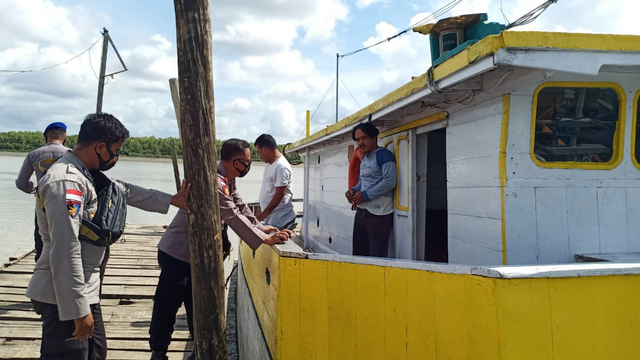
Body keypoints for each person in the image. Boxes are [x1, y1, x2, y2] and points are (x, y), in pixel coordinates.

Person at [25, 113, 190, 360]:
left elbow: (123, 190)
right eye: (115, 151)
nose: (115, 157)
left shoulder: (85, 173)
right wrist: (78, 310)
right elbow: (65, 247)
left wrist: (171, 200)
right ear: (100, 147)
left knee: (96, 353)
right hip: (62, 295)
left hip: (84, 288)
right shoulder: (65, 182)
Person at [149, 138, 292, 360]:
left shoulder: (226, 179)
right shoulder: (212, 180)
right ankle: (158, 353)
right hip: (178, 252)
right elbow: (231, 215)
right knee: (166, 306)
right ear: (235, 162)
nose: (248, 166)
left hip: (197, 256)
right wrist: (264, 240)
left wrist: (262, 228)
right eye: (246, 162)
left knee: (199, 307)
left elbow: (240, 206)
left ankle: (199, 351)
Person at [15, 122, 70, 262]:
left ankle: (42, 271)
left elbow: (21, 183)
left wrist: (36, 189)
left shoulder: (33, 154)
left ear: (45, 137)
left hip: (43, 204)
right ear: (65, 138)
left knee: (42, 241)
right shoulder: (72, 155)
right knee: (69, 239)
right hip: (69, 204)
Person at [345, 123, 397, 257]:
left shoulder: (384, 155)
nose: (360, 143)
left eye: (364, 138)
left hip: (380, 213)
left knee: (376, 255)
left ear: (374, 137)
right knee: (359, 253)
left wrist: (365, 195)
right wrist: (352, 190)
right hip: (363, 210)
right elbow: (363, 182)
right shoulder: (365, 158)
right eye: (357, 140)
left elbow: (389, 181)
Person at [254, 134, 296, 229]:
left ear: (265, 149)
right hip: (271, 219)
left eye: (259, 152)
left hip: (281, 220)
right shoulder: (270, 164)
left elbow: (280, 194)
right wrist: (258, 215)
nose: (259, 156)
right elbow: (269, 192)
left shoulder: (281, 166)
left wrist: (262, 215)